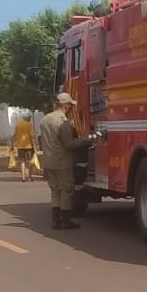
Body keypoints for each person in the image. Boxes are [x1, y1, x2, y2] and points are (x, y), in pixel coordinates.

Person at [38, 92, 104, 230]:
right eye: (70, 105)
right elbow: (69, 144)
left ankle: (55, 221)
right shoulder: (63, 122)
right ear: (66, 106)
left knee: (55, 190)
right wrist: (86, 140)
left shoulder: (45, 120)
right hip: (62, 161)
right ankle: (66, 220)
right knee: (67, 190)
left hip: (48, 161)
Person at [11, 114, 36, 182]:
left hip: (20, 146)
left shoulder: (18, 125)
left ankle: (23, 177)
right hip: (29, 146)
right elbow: (32, 136)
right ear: (28, 118)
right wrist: (35, 147)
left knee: (22, 161)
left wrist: (12, 145)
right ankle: (29, 177)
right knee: (30, 161)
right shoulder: (29, 125)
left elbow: (14, 135)